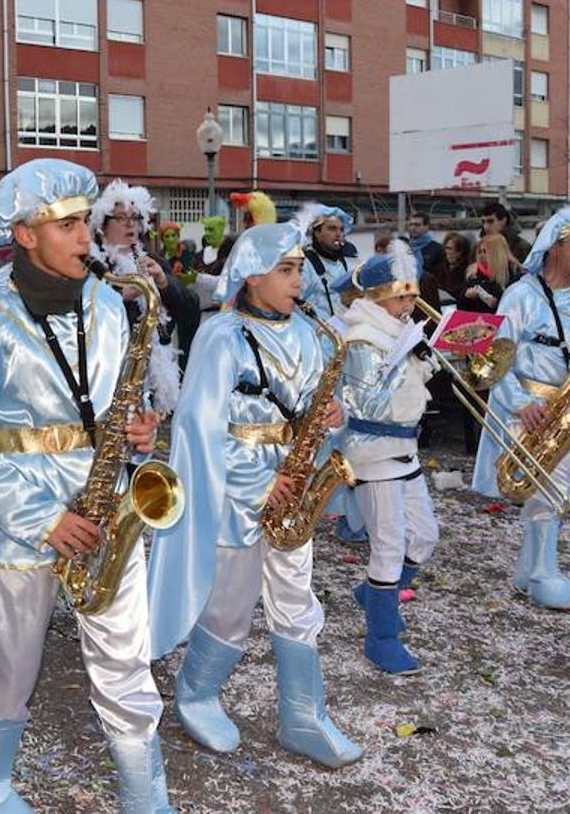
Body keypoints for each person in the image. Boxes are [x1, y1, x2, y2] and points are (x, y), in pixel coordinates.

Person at [0, 159, 170, 812]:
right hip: (12, 523)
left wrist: (137, 433)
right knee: (6, 673)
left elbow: (107, 402)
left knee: (128, 668)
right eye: (69, 225)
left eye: (86, 223)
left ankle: (145, 795)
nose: (87, 238)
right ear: (23, 234)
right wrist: (44, 520)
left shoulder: (107, 301)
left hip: (104, 510)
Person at [146, 212, 362, 770]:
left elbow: (315, 409)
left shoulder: (314, 334)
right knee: (228, 609)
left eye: (299, 271)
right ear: (252, 276)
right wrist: (260, 480)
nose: (300, 281)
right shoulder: (221, 336)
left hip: (294, 488)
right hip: (237, 493)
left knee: (296, 601)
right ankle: (196, 693)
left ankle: (303, 716)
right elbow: (198, 427)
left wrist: (333, 415)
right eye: (287, 271)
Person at [472, 206, 570, 610]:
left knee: (559, 492)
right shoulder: (520, 296)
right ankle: (544, 573)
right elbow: (493, 360)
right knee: (546, 493)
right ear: (554, 248)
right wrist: (520, 403)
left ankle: (529, 570)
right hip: (532, 409)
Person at [333, 242, 438, 673]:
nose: (411, 303)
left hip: (405, 449)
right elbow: (364, 404)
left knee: (425, 535)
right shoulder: (361, 336)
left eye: (413, 295)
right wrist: (405, 361)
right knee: (389, 544)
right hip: (373, 452)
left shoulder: (400, 331)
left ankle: (377, 593)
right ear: (377, 296)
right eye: (402, 296)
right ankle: (381, 636)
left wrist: (425, 359)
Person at [90, 178, 198, 391]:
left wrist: (164, 283)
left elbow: (191, 311)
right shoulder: (94, 265)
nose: (130, 224)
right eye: (121, 218)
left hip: (157, 376)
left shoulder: (152, 260)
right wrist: (120, 297)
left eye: (135, 217)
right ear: (102, 225)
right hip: (113, 376)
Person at [300, 204, 360, 318]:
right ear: (317, 233)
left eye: (341, 230)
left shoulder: (343, 261)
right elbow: (295, 307)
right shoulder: (305, 264)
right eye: (332, 228)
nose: (338, 234)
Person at [461, 233, 520, 314]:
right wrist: (467, 298)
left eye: (485, 252)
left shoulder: (514, 274)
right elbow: (462, 310)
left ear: (497, 253)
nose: (481, 256)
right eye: (479, 252)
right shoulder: (473, 274)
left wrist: (497, 303)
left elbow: (518, 305)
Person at [406, 211, 446, 278]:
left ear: (426, 227)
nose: (413, 228)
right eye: (411, 224)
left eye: (417, 225)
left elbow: (441, 276)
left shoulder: (437, 249)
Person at [440, 231, 472, 301]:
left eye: (456, 249)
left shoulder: (468, 270)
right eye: (447, 248)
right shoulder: (442, 268)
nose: (450, 252)